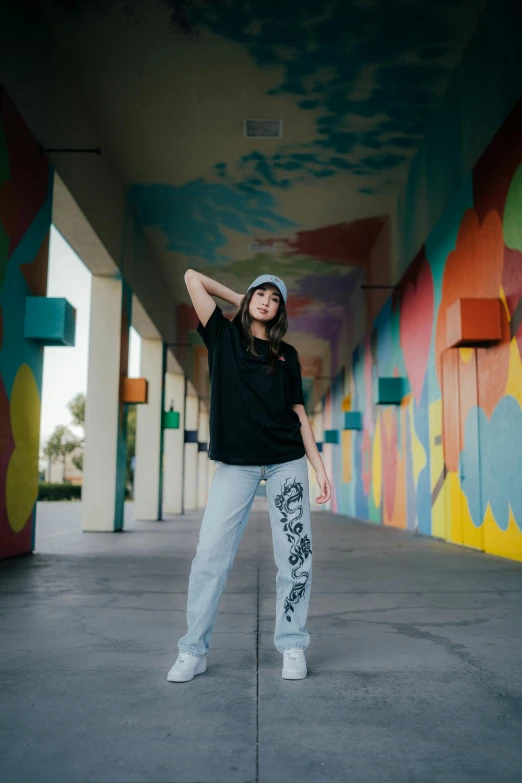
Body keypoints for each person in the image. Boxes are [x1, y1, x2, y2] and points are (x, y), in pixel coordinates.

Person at [167, 270, 332, 683]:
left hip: (286, 461)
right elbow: (191, 278)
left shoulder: (287, 355)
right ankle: (193, 650)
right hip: (236, 465)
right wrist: (240, 296)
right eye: (260, 294)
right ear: (249, 300)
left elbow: (298, 413)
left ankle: (292, 644)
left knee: (295, 557)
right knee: (210, 556)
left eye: (274, 298)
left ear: (280, 310)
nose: (265, 301)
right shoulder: (222, 335)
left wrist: (318, 466)